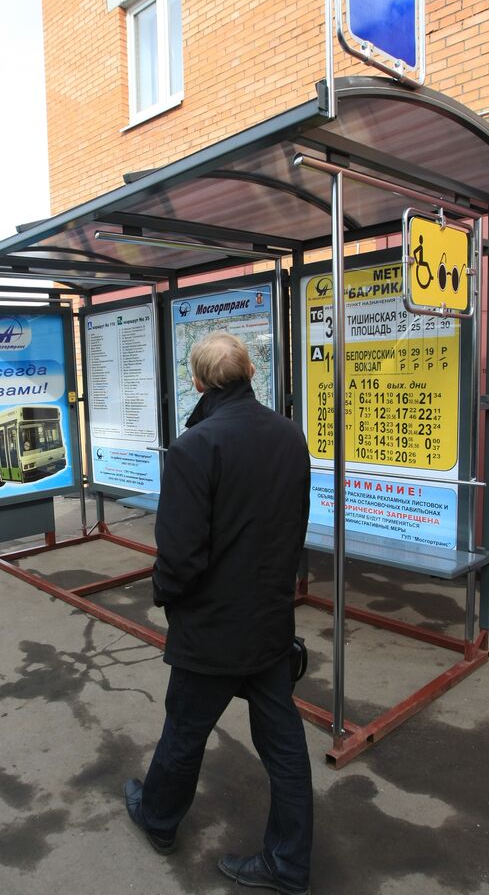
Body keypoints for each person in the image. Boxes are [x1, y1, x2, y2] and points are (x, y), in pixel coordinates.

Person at [124, 331, 313, 895]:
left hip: (211, 629)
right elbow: (291, 530)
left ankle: (158, 820)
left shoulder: (194, 447)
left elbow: (180, 557)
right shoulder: (289, 437)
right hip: (271, 624)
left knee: (185, 729)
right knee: (284, 745)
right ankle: (289, 863)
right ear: (251, 372)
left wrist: (165, 595)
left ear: (199, 381)